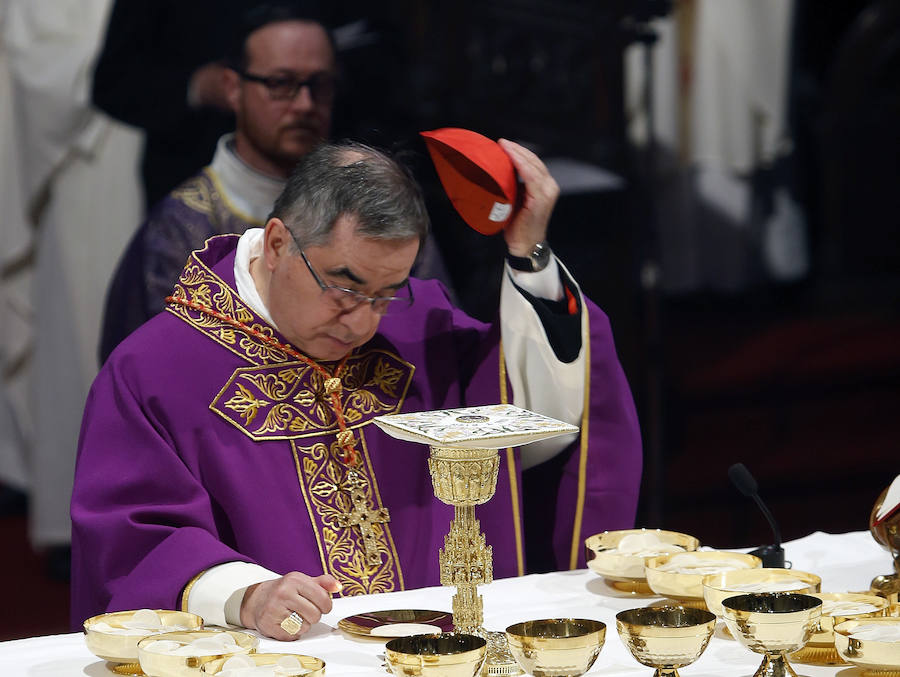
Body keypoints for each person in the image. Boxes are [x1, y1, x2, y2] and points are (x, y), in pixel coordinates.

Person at [71, 139, 642, 639]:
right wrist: (243, 595)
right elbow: (131, 536)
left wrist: (530, 256)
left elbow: (538, 420)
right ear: (276, 245)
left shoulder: (420, 330)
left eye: (388, 291)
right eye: (344, 287)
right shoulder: (157, 370)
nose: (363, 322)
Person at [98, 5, 451, 363]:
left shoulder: (381, 207)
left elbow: (434, 344)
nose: (304, 104)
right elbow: (146, 375)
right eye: (281, 84)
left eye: (320, 84)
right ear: (233, 88)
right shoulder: (177, 232)